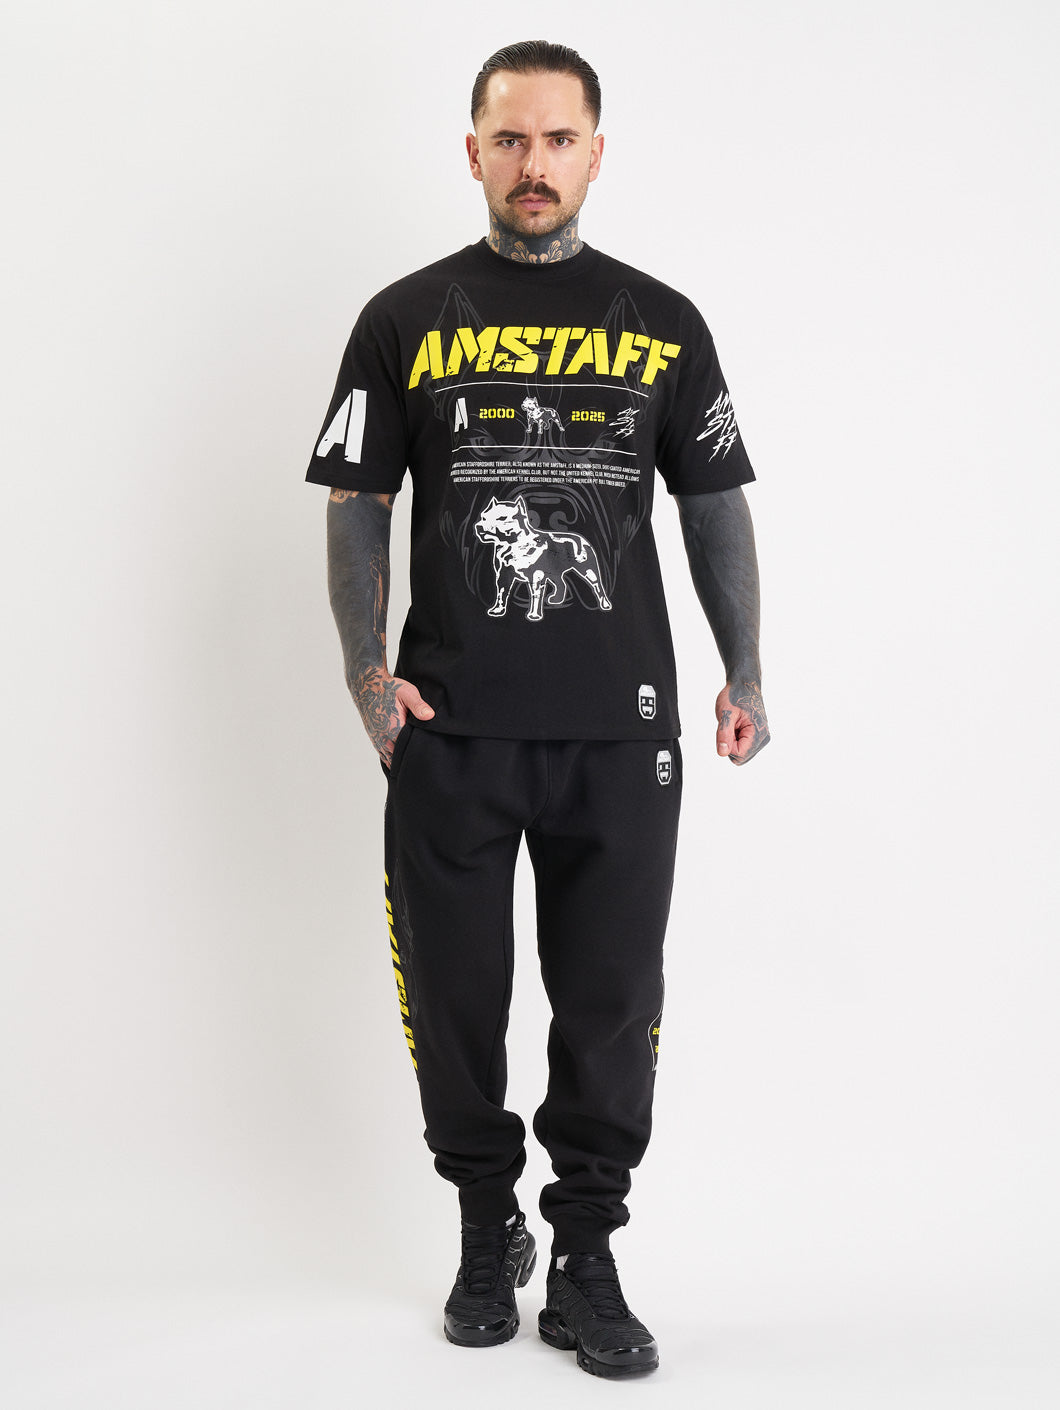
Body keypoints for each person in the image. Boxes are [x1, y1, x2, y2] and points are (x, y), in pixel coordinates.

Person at [305, 39, 769, 1379]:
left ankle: (586, 1251)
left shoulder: (663, 321)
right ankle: (482, 1222)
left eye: (560, 139)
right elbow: (359, 502)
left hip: (622, 730)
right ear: (473, 152)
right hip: (450, 726)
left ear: (596, 154)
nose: (534, 163)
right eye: (510, 139)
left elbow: (715, 503)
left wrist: (745, 669)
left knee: (610, 999)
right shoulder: (403, 318)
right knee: (456, 996)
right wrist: (366, 674)